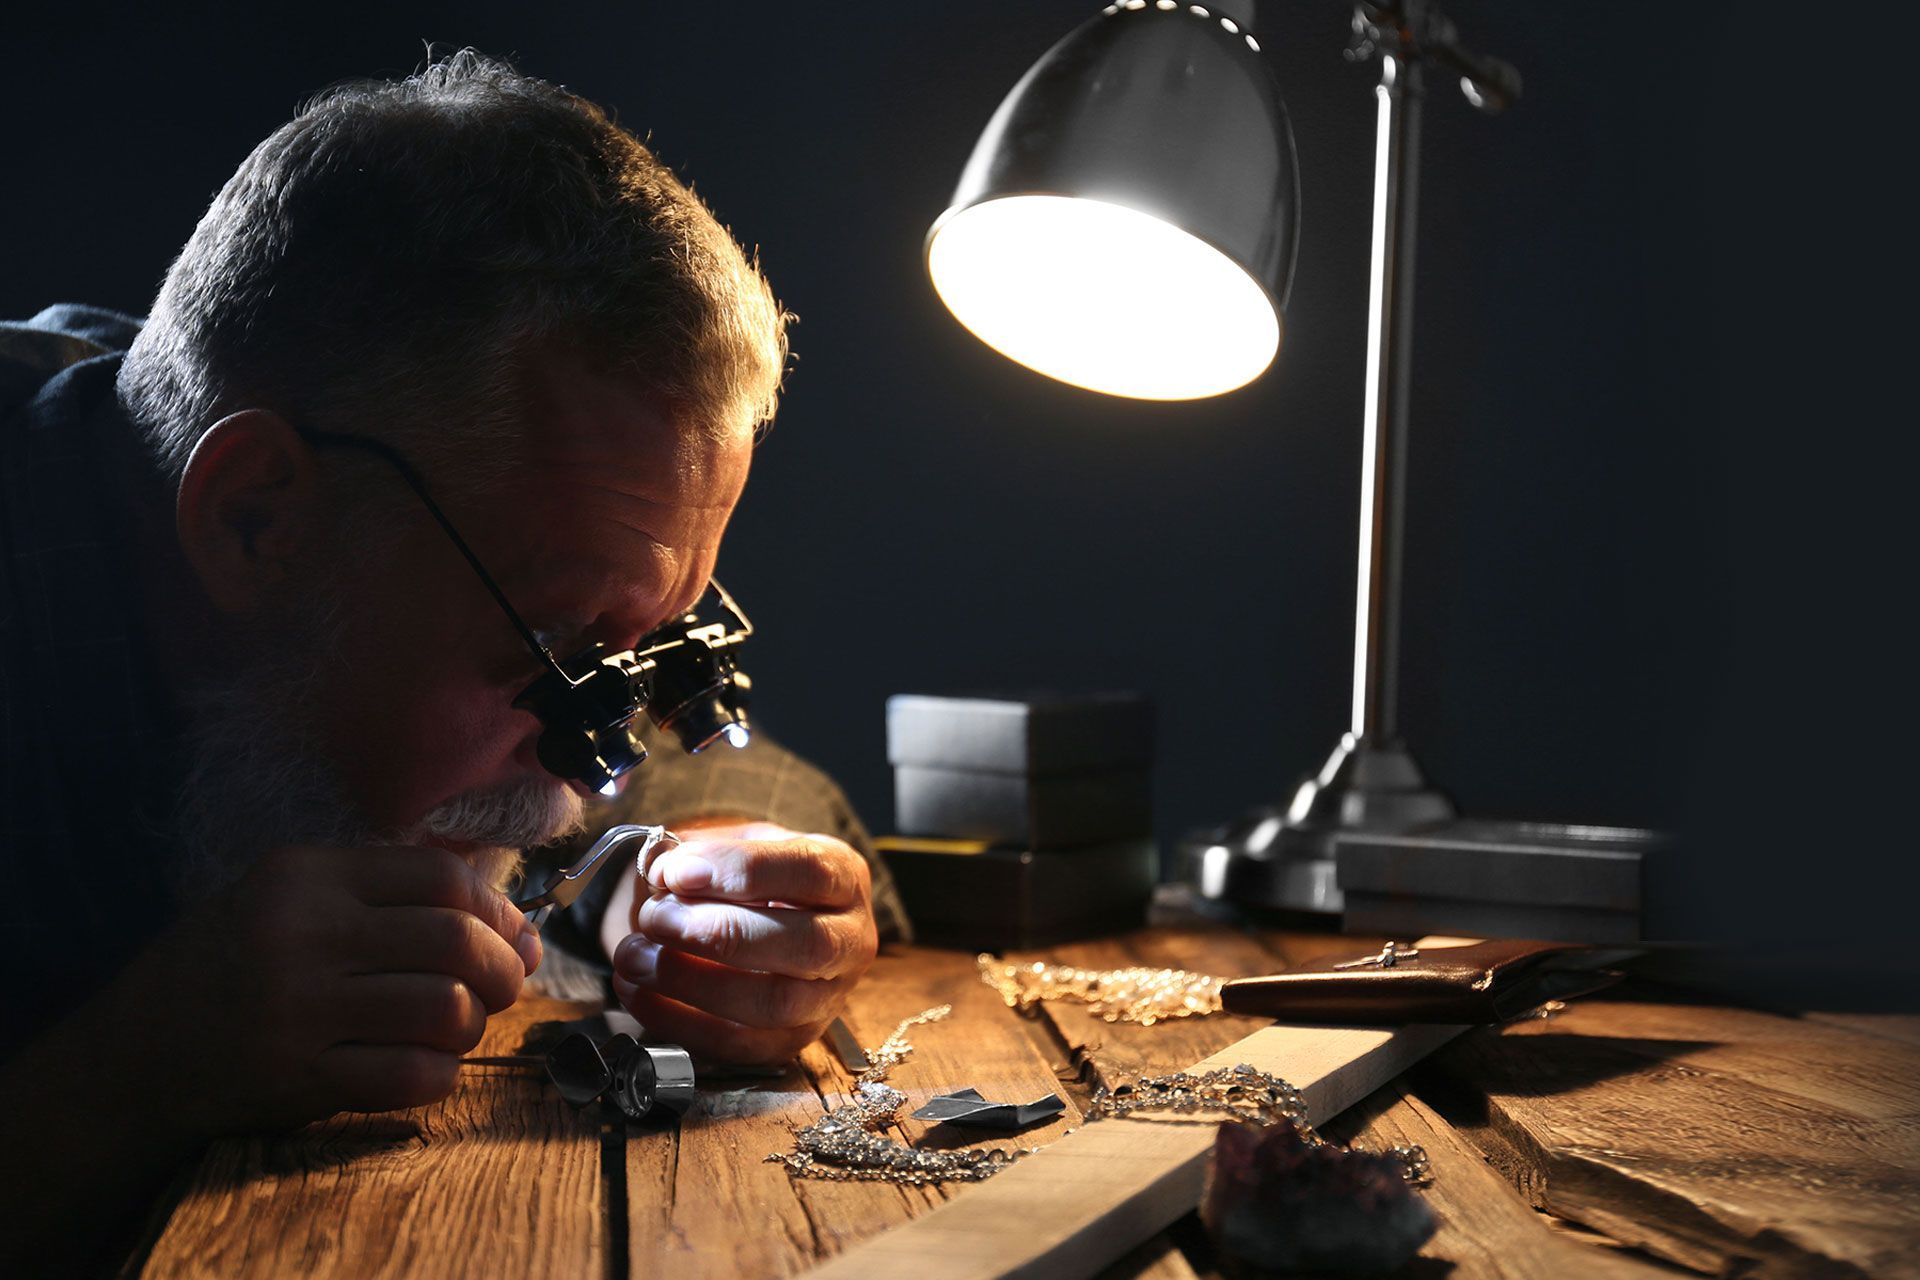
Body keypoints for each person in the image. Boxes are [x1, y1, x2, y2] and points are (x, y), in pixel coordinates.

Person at [0, 50, 907, 1266]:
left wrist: (702, 900)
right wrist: (125, 1076)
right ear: (254, 519)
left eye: (646, 648)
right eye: (556, 645)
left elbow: (674, 781)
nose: (589, 773)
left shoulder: (358, 517)